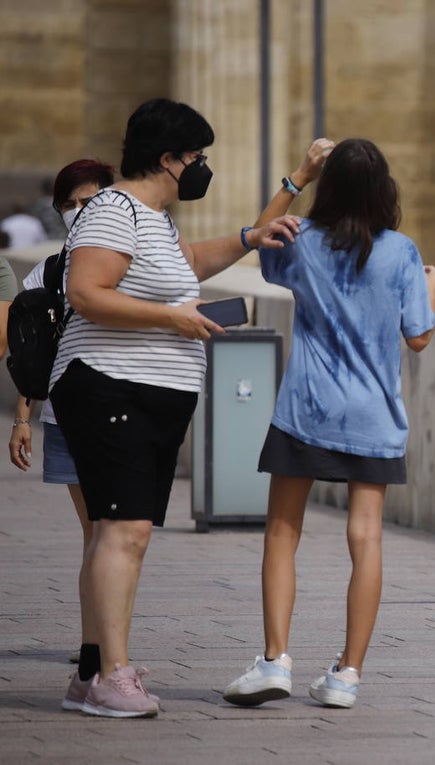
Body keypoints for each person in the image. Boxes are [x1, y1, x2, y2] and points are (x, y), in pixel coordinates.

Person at [47, 97, 301, 718]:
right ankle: (112, 675)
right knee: (123, 530)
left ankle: (94, 669)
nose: (202, 167)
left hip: (146, 394)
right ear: (168, 159)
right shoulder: (112, 210)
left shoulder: (150, 218)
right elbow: (85, 291)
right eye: (197, 157)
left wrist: (247, 238)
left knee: (117, 530)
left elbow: (181, 267)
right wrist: (171, 317)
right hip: (111, 386)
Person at [223, 138, 435, 710]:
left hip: (306, 408)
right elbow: (418, 336)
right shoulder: (401, 253)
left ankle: (274, 660)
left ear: (331, 186)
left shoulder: (302, 242)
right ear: (384, 190)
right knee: (365, 539)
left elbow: (260, 236)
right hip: (373, 415)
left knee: (282, 532)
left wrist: (297, 175)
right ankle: (347, 674)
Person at [9, 159, 116, 672]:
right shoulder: (49, 270)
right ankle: (99, 651)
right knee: (98, 532)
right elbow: (27, 350)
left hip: (119, 411)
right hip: (65, 416)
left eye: (88, 201)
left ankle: (98, 649)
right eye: (68, 205)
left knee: (106, 534)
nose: (78, 212)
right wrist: (22, 418)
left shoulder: (129, 262)